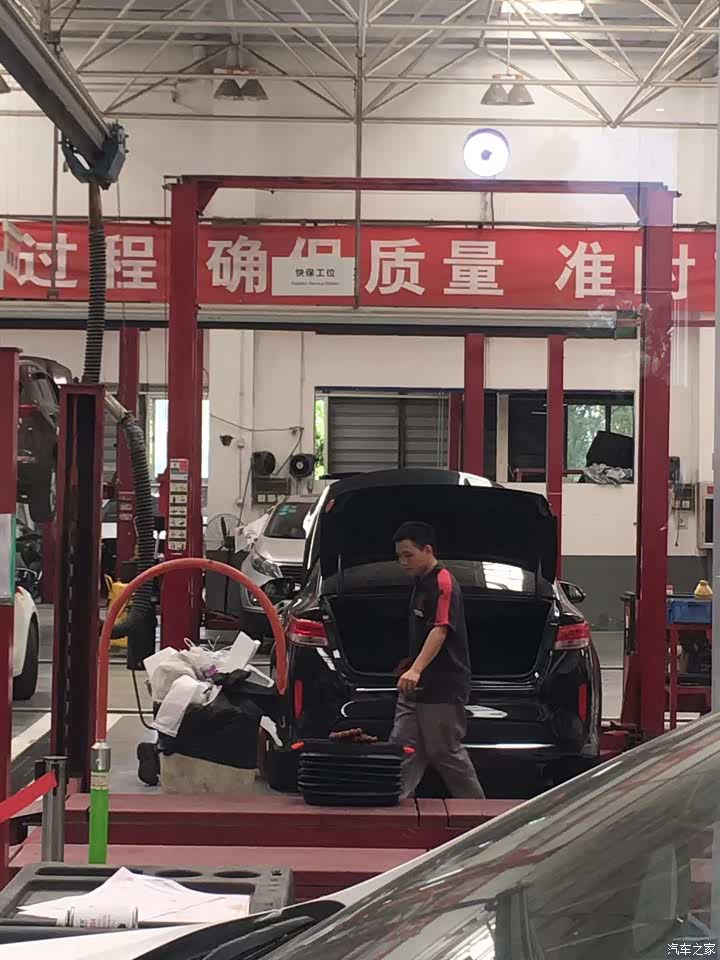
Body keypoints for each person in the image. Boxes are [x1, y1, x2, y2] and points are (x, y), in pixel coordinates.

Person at [390, 521, 485, 800]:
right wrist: (410, 665)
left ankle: (477, 813)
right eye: (399, 556)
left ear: (428, 550)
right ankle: (392, 805)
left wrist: (416, 669)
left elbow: (440, 629)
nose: (403, 562)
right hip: (416, 686)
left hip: (443, 686)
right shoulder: (420, 583)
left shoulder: (443, 582)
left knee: (444, 751)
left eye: (408, 555)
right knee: (403, 747)